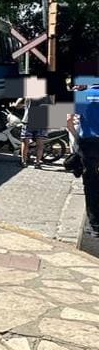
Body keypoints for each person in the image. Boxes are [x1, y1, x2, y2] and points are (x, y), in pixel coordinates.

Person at [75, 82, 99, 238]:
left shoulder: (83, 96)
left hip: (88, 145)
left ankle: (95, 226)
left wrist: (77, 140)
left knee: (90, 183)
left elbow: (70, 121)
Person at [13, 94, 51, 169]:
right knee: (40, 145)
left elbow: (17, 105)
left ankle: (23, 162)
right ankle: (37, 163)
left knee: (25, 143)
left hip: (28, 121)